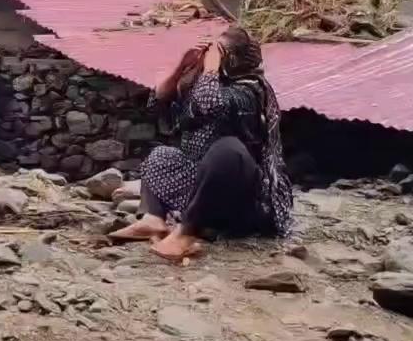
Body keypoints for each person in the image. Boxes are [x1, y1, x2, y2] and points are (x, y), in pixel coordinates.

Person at [109, 26, 293, 261]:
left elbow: (211, 106)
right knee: (162, 154)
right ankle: (153, 219)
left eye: (217, 53)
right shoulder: (208, 84)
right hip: (203, 190)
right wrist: (182, 66)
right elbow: (158, 102)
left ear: (232, 60)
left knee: (228, 150)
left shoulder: (251, 91)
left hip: (245, 197)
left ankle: (186, 233)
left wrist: (210, 69)